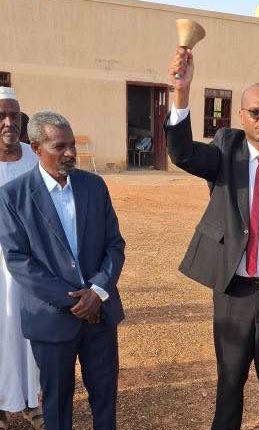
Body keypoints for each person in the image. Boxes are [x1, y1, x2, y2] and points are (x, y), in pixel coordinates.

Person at [166, 47, 259, 430]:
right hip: (233, 292)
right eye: (255, 112)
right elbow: (182, 154)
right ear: (241, 115)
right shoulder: (226, 153)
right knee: (230, 384)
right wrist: (181, 93)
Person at [0, 111, 125, 430]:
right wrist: (75, 301)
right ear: (36, 148)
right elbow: (18, 260)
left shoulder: (94, 186)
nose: (70, 153)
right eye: (59, 147)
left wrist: (97, 292)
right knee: (56, 404)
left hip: (99, 314)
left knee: (105, 398)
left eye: (72, 145)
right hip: (51, 318)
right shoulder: (13, 196)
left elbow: (114, 245)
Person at [0, 87, 42, 430]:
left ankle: (33, 401)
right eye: (1, 115)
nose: (8, 122)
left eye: (14, 115)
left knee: (28, 331)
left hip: (29, 263)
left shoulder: (35, 158)